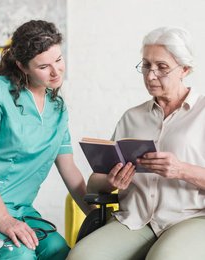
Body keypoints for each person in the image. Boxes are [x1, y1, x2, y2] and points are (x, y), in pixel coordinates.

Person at [0, 20, 92, 260]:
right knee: (20, 255)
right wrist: (3, 219)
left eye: (58, 60)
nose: (56, 72)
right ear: (22, 66)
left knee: (61, 252)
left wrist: (94, 215)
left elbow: (69, 169)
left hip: (20, 208)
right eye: (44, 66)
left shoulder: (58, 107)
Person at [67, 26, 205, 260]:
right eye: (146, 65)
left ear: (185, 69)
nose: (151, 75)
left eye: (162, 67)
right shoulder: (132, 117)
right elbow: (94, 185)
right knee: (81, 257)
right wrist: (111, 181)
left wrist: (181, 170)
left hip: (191, 218)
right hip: (136, 220)